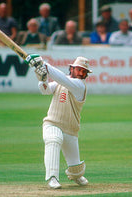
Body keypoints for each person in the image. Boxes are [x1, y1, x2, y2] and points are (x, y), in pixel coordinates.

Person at [24, 54, 92, 189]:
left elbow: (61, 78)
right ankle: (52, 178)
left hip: (71, 129)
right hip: (53, 123)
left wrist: (44, 65)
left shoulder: (80, 86)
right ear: (71, 69)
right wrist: (42, 80)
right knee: (53, 140)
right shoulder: (63, 81)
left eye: (84, 71)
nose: (81, 73)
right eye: (78, 69)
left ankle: (77, 176)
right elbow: (46, 90)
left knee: (75, 168)